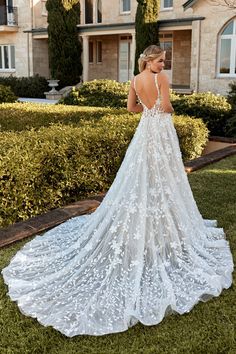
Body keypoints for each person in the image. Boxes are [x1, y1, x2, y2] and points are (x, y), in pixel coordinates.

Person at [2, 45, 233, 337]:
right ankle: (163, 221)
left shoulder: (135, 80)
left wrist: (147, 110)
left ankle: (152, 218)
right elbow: (167, 107)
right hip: (160, 129)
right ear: (150, 60)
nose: (164, 64)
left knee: (141, 175)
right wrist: (164, 107)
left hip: (145, 131)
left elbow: (131, 108)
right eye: (161, 60)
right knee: (163, 177)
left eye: (164, 61)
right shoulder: (160, 78)